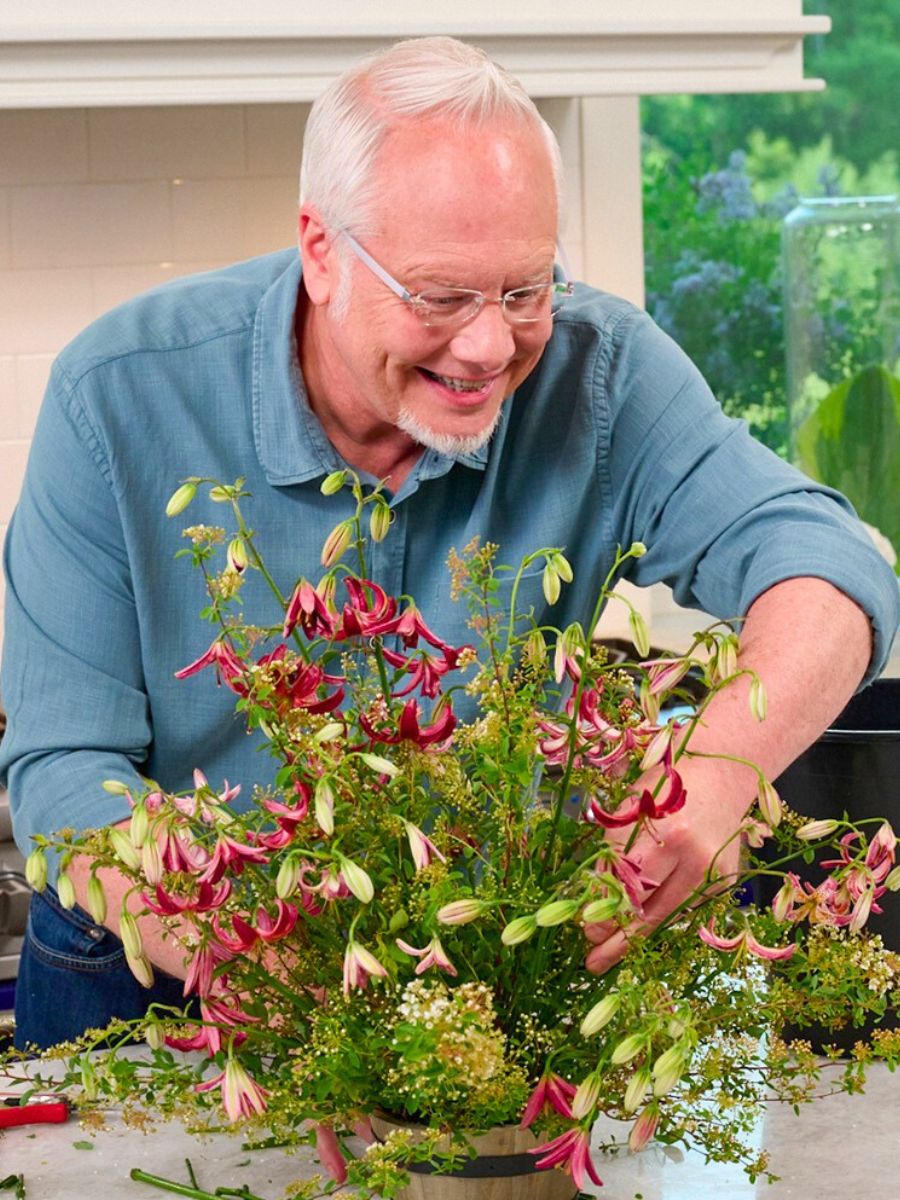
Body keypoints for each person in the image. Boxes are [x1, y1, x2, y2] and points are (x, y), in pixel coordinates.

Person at [1, 37, 897, 1050]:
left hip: (475, 977)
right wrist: (240, 947)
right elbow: (64, 777)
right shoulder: (115, 395)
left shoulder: (601, 377)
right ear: (321, 249)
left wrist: (722, 769)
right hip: (157, 976)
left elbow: (833, 565)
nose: (488, 349)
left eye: (525, 290)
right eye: (439, 297)